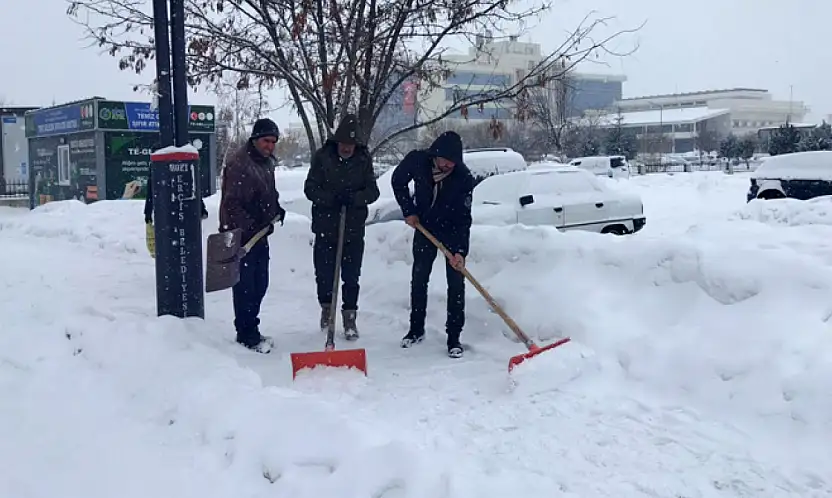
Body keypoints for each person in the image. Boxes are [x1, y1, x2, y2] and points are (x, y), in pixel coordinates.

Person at [391, 131, 474, 358]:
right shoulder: (418, 161)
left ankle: (454, 338)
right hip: (424, 227)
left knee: (456, 284)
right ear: (435, 155)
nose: (448, 165)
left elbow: (464, 219)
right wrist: (409, 210)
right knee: (419, 278)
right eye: (445, 160)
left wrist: (459, 251)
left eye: (453, 162)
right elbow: (398, 181)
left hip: (451, 231)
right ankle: (416, 329)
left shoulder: (463, 178)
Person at [304, 114, 380, 340]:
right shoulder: (322, 157)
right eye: (344, 144)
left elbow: (373, 191)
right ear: (337, 142)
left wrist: (355, 198)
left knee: (351, 276)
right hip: (326, 227)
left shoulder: (363, 159)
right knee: (325, 275)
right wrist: (331, 198)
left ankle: (349, 316)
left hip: (353, 230)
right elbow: (310, 188)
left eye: (352, 145)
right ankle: (327, 311)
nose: (347, 148)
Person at [218, 118, 286, 353]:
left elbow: (268, 193)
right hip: (241, 237)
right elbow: (232, 205)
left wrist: (276, 210)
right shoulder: (240, 164)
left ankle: (252, 327)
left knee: (260, 284)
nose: (270, 146)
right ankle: (246, 334)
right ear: (256, 139)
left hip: (260, 235)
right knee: (245, 287)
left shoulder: (266, 163)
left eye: (273, 142)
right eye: (266, 140)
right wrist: (253, 225)